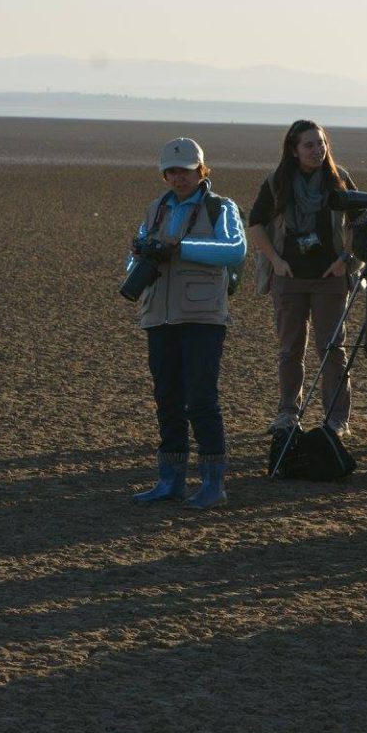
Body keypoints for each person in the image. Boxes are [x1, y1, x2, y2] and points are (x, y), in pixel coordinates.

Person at [127, 137, 247, 509]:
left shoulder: (220, 207)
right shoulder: (157, 208)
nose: (179, 178)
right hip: (159, 315)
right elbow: (138, 256)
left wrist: (181, 248)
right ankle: (171, 479)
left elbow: (236, 250)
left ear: (201, 170)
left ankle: (214, 483)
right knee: (167, 399)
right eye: (173, 171)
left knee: (201, 399)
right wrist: (137, 262)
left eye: (186, 171)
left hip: (202, 315)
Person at [246, 120, 358, 438]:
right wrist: (276, 261)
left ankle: (337, 419)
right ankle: (287, 414)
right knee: (290, 349)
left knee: (332, 349)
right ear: (293, 151)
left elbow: (360, 223)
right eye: (309, 145)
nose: (317, 150)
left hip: (330, 279)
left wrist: (345, 261)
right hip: (289, 278)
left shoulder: (339, 180)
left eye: (321, 143)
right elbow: (256, 224)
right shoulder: (277, 182)